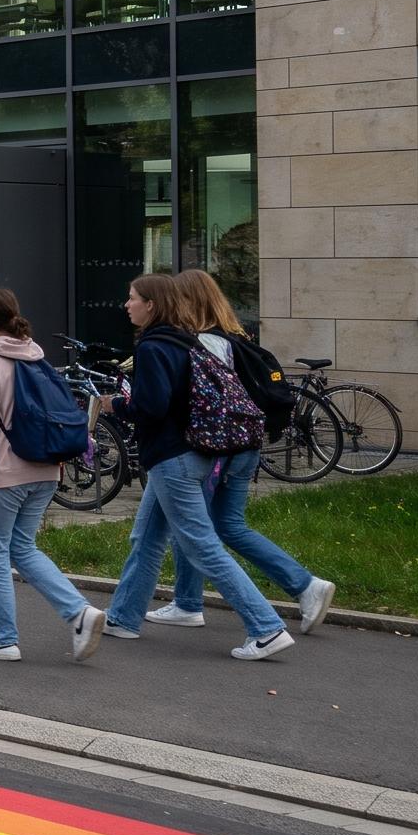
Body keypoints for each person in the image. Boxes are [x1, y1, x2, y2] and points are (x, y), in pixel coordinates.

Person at [101, 274, 294, 660]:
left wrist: (115, 406)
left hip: (174, 459)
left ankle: (267, 627)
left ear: (151, 304)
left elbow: (151, 407)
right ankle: (123, 618)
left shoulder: (154, 347)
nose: (127, 304)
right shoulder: (188, 341)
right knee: (147, 537)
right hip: (193, 453)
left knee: (202, 545)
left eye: (132, 297)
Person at [155, 270, 337, 636]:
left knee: (194, 529)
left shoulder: (201, 343)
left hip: (215, 448)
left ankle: (193, 604)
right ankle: (304, 586)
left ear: (187, 301)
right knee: (226, 526)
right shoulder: (236, 337)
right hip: (246, 445)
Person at [0, 288, 106, 662]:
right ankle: (79, 613)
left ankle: (3, 639)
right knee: (22, 547)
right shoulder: (37, 358)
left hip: (4, 474)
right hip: (47, 469)